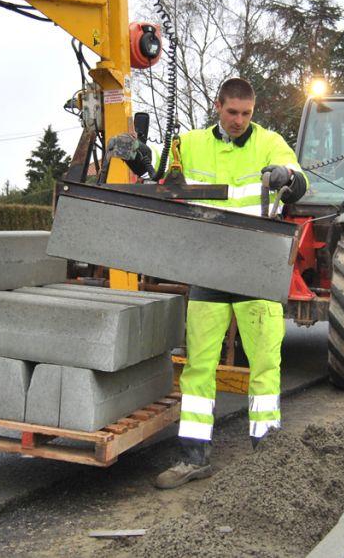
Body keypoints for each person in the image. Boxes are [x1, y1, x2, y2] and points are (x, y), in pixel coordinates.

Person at [117, 77, 308, 489]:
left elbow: (298, 178)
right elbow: (161, 180)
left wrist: (285, 178)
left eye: (246, 114)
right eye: (232, 112)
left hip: (255, 264)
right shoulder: (190, 144)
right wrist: (137, 159)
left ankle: (266, 453)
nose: (239, 120)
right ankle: (193, 457)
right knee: (198, 365)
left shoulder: (271, 143)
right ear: (217, 107)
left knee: (265, 363)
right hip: (208, 267)